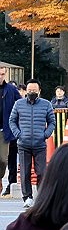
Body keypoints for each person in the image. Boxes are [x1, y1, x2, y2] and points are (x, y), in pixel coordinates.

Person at [9, 81, 55, 208]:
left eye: (34, 90)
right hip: (23, 144)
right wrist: (18, 134)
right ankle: (27, 197)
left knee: (41, 172)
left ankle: (41, 198)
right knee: (25, 172)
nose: (32, 93)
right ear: (25, 91)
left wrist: (45, 134)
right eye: (29, 90)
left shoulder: (47, 104)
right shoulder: (18, 104)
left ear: (39, 90)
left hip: (40, 144)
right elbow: (12, 121)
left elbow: (52, 122)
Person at [0, 67, 19, 196]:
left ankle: (2, 179)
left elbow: (21, 104)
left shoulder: (11, 90)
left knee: (3, 159)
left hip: (5, 130)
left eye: (2, 74)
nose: (0, 76)